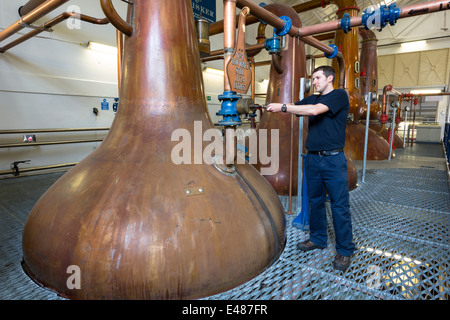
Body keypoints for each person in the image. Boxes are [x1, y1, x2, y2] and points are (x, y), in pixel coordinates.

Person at [266, 65, 355, 271]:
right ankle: (318, 238)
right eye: (312, 78)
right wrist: (274, 105)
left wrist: (283, 107)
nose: (313, 82)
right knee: (315, 201)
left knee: (339, 205)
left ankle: (344, 249)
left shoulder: (339, 95)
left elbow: (314, 111)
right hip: (313, 159)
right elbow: (296, 105)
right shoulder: (312, 98)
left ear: (329, 78)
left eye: (317, 78)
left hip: (333, 160)